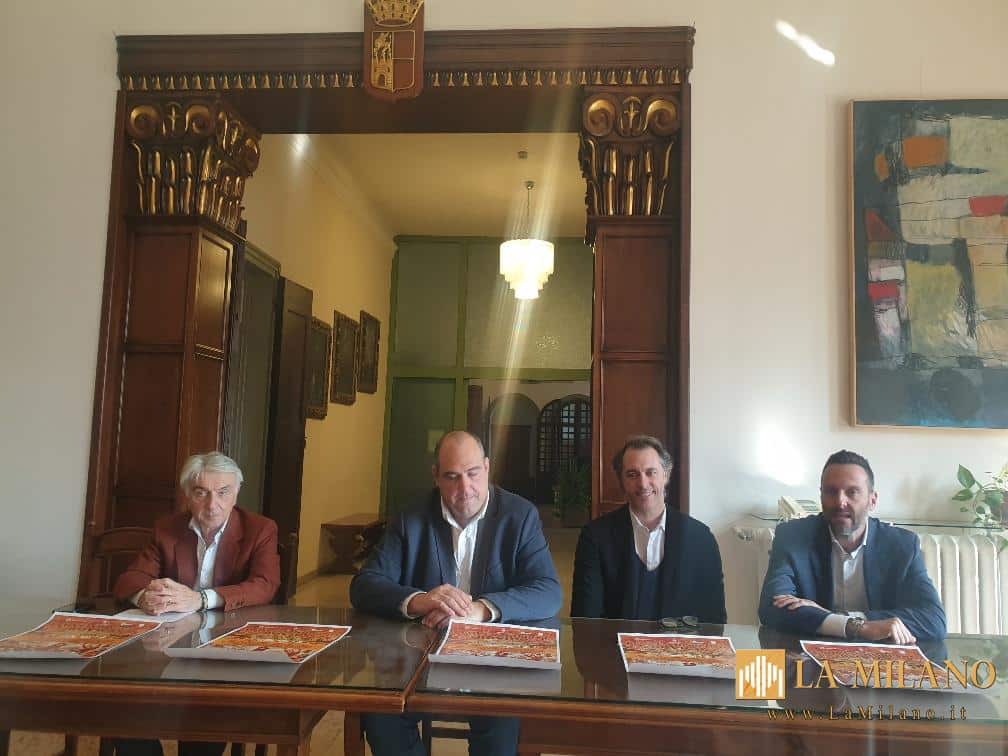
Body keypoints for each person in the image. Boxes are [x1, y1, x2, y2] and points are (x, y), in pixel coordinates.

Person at [350, 430, 562, 756]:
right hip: (420, 655)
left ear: (487, 468)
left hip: (494, 660)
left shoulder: (519, 515)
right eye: (452, 477)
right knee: (381, 716)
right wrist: (420, 600)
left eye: (473, 473)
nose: (465, 488)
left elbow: (548, 591)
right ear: (435, 476)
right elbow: (364, 585)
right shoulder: (410, 517)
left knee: (501, 727)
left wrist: (480, 609)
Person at [113, 452, 281, 756]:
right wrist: (145, 596)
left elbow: (264, 585)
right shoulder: (167, 528)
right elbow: (131, 578)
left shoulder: (260, 529)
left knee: (204, 717)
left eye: (223, 492)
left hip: (226, 645)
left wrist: (201, 599)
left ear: (236, 493)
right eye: (201, 493)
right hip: (166, 643)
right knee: (124, 706)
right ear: (188, 495)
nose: (212, 504)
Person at [758, 449, 946, 643]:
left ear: (872, 500)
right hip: (811, 654)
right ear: (821, 496)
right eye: (831, 491)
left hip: (877, 657)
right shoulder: (792, 537)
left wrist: (839, 618)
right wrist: (857, 627)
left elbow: (934, 620)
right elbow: (771, 609)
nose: (840, 502)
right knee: (755, 664)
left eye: (852, 492)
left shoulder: (902, 545)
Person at [570, 435, 727, 622]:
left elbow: (714, 619)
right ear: (621, 481)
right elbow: (585, 618)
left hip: (679, 641)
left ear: (665, 476)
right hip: (614, 641)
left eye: (651, 472)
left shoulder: (701, 538)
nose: (643, 484)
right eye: (632, 474)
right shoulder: (595, 537)